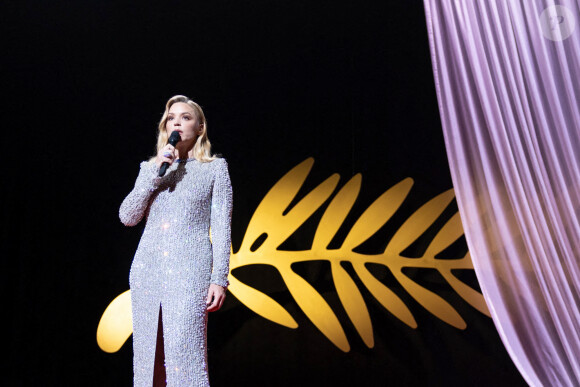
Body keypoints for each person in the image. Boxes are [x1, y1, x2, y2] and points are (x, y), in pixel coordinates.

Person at [119, 95, 233, 386]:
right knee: (149, 356)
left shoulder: (215, 169)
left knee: (185, 353)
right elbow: (127, 216)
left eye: (185, 117)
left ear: (200, 127)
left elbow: (221, 227)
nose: (177, 122)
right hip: (147, 269)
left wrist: (219, 278)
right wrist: (154, 174)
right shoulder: (151, 169)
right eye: (171, 118)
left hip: (191, 269)